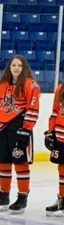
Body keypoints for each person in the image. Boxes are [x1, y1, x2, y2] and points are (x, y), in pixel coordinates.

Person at [0, 54, 40, 213]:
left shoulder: (31, 84)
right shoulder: (1, 85)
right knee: (3, 162)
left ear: (24, 68)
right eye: (14, 65)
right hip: (3, 127)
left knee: (20, 162)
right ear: (9, 67)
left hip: (19, 125)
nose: (16, 68)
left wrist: (26, 129)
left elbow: (33, 108)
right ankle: (4, 195)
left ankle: (22, 197)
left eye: (19, 66)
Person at [44, 80, 64, 216]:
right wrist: (50, 131)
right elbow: (55, 112)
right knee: (62, 168)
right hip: (60, 136)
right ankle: (62, 199)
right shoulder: (60, 88)